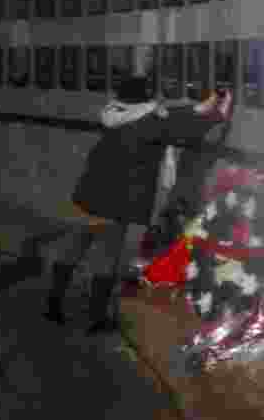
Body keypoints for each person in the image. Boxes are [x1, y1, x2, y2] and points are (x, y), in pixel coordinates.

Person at [44, 76, 232, 334]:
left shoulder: (115, 114)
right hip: (114, 202)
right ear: (146, 98)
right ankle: (96, 317)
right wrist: (219, 113)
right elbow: (183, 127)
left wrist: (206, 103)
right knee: (108, 258)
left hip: (88, 196)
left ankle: (53, 304)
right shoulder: (149, 122)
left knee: (74, 248)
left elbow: (169, 114)